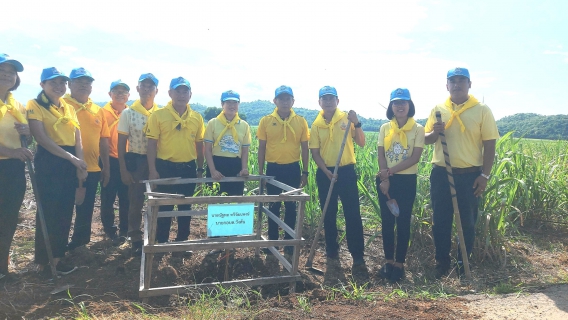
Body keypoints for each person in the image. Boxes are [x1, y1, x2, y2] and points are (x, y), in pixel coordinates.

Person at [424, 67, 499, 278]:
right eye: (452, 81)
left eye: (461, 80)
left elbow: (489, 144)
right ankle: (441, 263)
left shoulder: (482, 110)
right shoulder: (438, 109)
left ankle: (462, 264)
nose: (457, 84)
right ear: (447, 85)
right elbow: (427, 139)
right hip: (441, 173)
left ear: (469, 84)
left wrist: (484, 175)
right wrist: (434, 132)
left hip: (469, 175)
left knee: (467, 220)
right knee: (441, 219)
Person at [27, 67, 88, 276]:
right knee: (48, 211)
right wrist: (71, 158)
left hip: (70, 161)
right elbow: (41, 138)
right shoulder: (34, 105)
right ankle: (43, 262)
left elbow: (77, 137)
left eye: (62, 83)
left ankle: (58, 258)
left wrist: (80, 163)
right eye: (53, 83)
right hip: (50, 160)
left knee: (65, 210)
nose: (58, 87)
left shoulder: (68, 108)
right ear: (42, 84)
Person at [309, 86, 366, 269]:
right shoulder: (316, 124)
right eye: (324, 99)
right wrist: (325, 170)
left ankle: (357, 255)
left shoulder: (346, 119)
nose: (328, 102)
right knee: (328, 213)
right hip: (326, 172)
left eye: (331, 98)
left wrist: (356, 123)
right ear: (319, 102)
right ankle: (332, 251)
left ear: (337, 101)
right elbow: (315, 153)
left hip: (346, 171)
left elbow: (362, 143)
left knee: (352, 214)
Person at [146, 77, 205, 243]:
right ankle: (161, 242)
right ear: (170, 93)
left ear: (190, 94)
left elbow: (199, 146)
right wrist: (152, 169)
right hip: (165, 167)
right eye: (177, 91)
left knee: (185, 207)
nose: (181, 94)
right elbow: (151, 144)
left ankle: (182, 242)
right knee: (165, 206)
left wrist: (199, 170)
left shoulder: (196, 117)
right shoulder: (158, 116)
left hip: (188, 168)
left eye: (185, 91)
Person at [376, 88, 424, 282]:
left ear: (410, 105)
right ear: (391, 107)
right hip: (386, 179)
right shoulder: (384, 128)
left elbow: (415, 157)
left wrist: (391, 172)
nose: (400, 106)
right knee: (387, 222)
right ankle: (388, 261)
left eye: (403, 102)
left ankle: (399, 264)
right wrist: (385, 178)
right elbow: (381, 153)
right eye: (396, 103)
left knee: (403, 223)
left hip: (406, 181)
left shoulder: (418, 129)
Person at [257, 85, 309, 256]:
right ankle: (272, 243)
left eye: (288, 99)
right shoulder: (266, 120)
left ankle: (288, 243)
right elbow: (262, 148)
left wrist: (305, 171)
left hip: (293, 169)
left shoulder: (301, 121)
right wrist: (261, 172)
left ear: (293, 101)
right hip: (272, 169)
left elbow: (305, 148)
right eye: (281, 99)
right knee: (273, 206)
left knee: (291, 207)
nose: (285, 102)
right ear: (275, 101)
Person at [64, 68, 110, 251]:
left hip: (92, 167)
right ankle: (60, 245)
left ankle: (80, 242)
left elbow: (104, 141)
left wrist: (105, 166)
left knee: (86, 208)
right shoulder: (62, 105)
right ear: (70, 84)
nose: (84, 85)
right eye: (79, 81)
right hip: (67, 166)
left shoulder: (97, 110)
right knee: (65, 207)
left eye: (87, 82)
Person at [117, 73, 160, 256]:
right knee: (135, 201)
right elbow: (121, 144)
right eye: (143, 86)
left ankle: (154, 235)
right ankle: (134, 236)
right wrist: (123, 170)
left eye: (150, 87)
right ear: (137, 89)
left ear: (156, 91)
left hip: (157, 161)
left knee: (156, 200)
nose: (147, 89)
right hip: (136, 160)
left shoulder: (161, 113)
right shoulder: (128, 113)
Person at [0, 54, 33, 282]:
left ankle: (2, 268)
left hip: (13, 170)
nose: (6, 74)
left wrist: (27, 135)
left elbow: (27, 139)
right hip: (6, 160)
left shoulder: (16, 105)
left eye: (11, 72)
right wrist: (10, 151)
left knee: (9, 218)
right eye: (2, 70)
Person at [100, 80, 131, 244]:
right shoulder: (101, 112)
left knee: (126, 198)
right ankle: (110, 230)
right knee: (107, 197)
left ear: (129, 96)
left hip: (127, 161)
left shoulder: (131, 113)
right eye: (116, 91)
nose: (120, 94)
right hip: (109, 160)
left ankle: (125, 230)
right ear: (110, 94)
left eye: (123, 91)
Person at [204, 90, 251, 196]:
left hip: (235, 165)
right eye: (228, 102)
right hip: (217, 164)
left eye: (235, 102)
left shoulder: (244, 125)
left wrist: (244, 169)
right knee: (215, 204)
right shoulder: (213, 123)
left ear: (238, 104)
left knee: (235, 203)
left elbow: (244, 150)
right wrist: (213, 171)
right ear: (222, 104)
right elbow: (207, 149)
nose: (232, 105)